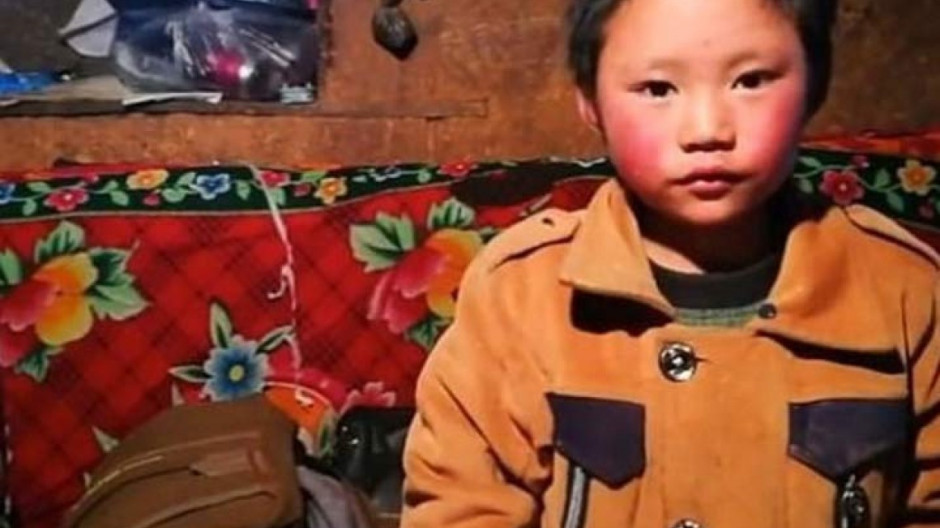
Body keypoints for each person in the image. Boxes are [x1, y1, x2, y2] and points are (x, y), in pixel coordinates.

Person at [400, 0, 940, 526]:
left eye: (750, 81)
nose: (707, 129)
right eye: (658, 89)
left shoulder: (903, 292)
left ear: (815, 84)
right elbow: (460, 506)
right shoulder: (519, 297)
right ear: (590, 102)